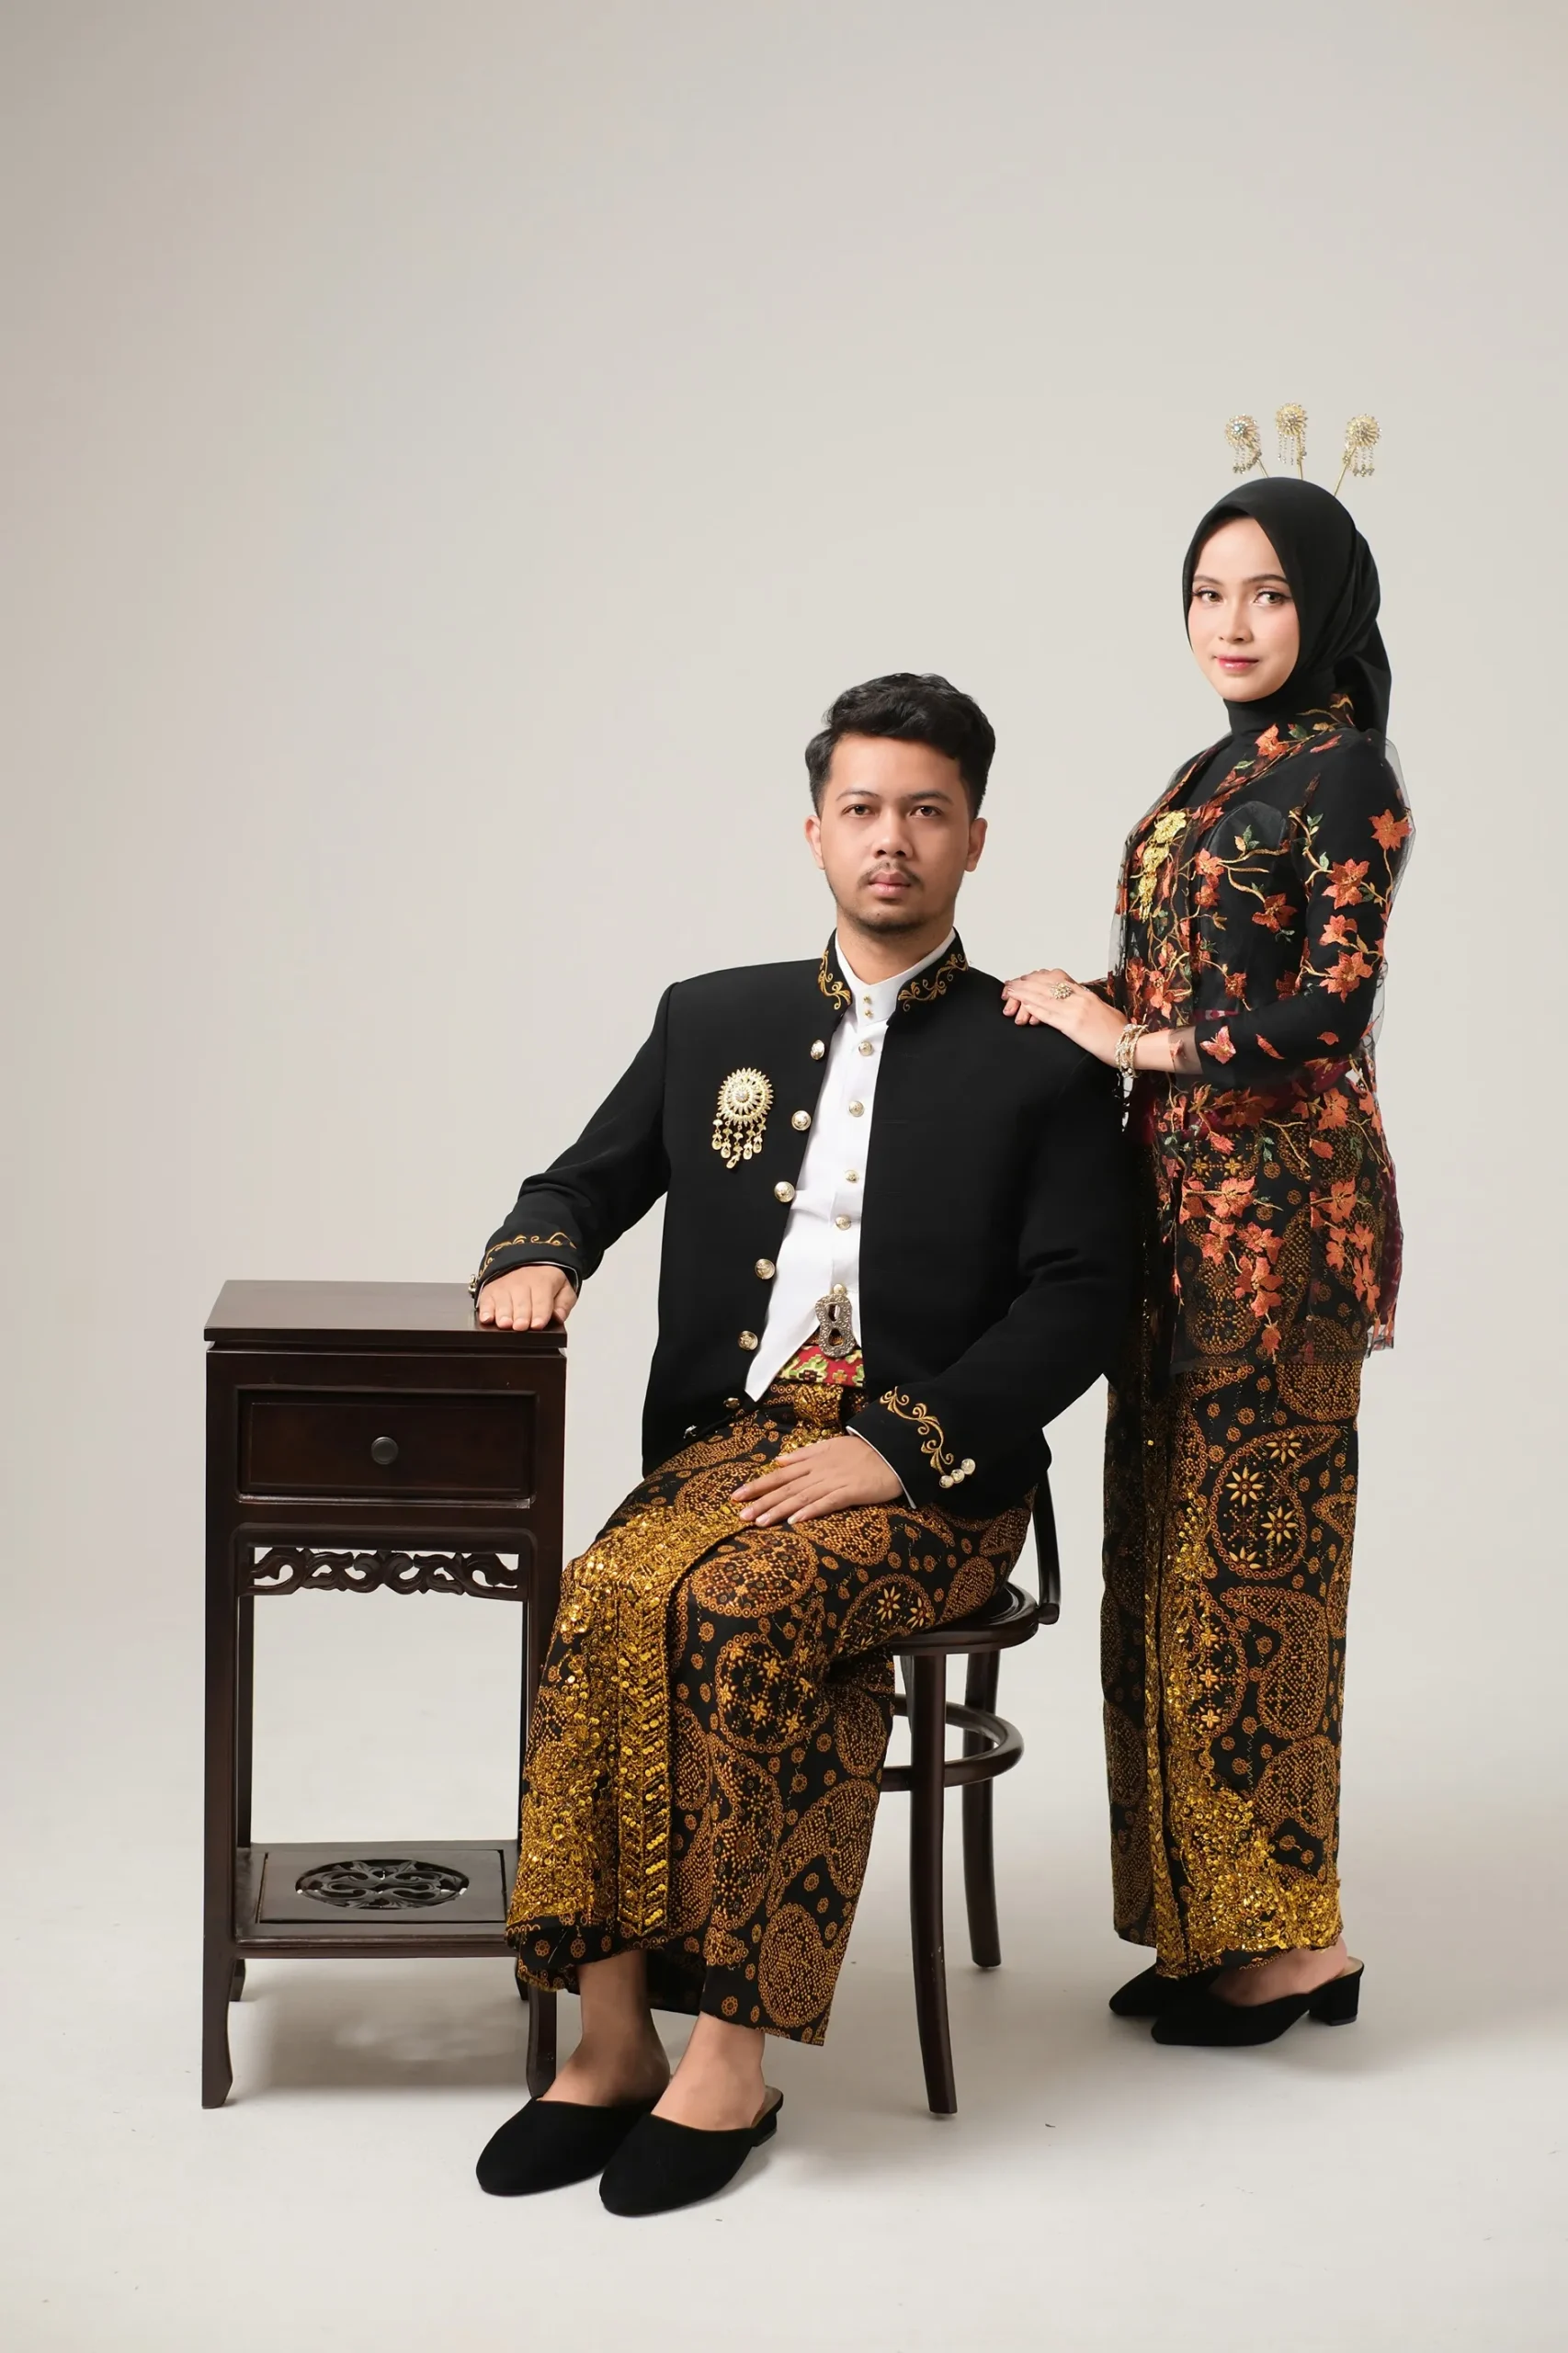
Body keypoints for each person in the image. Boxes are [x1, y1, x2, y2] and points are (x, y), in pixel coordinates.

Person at [471, 672, 1130, 2211]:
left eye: (925, 812)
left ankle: (732, 2059)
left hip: (936, 1476)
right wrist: (538, 1252)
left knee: (745, 1612)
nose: (890, 839)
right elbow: (581, 1179)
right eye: (861, 809)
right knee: (601, 1600)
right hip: (729, 1447)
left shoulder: (1044, 1056)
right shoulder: (712, 1017)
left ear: (973, 838)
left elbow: (1080, 1300)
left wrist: (899, 1445)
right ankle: (610, 2042)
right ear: (814, 831)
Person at [1004, 479, 1411, 2045]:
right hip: (1168, 1223)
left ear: (1326, 606)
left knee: (1261, 1575)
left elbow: (1326, 1009)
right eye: (1206, 593)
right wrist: (1076, 996)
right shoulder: (1212, 768)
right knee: (1164, 1567)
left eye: (1266, 594)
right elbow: (1176, 974)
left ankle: (1293, 1943)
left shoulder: (1345, 771)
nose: (1230, 624)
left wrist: (1130, 1041)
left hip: (1282, 1231)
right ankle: (1199, 1924)